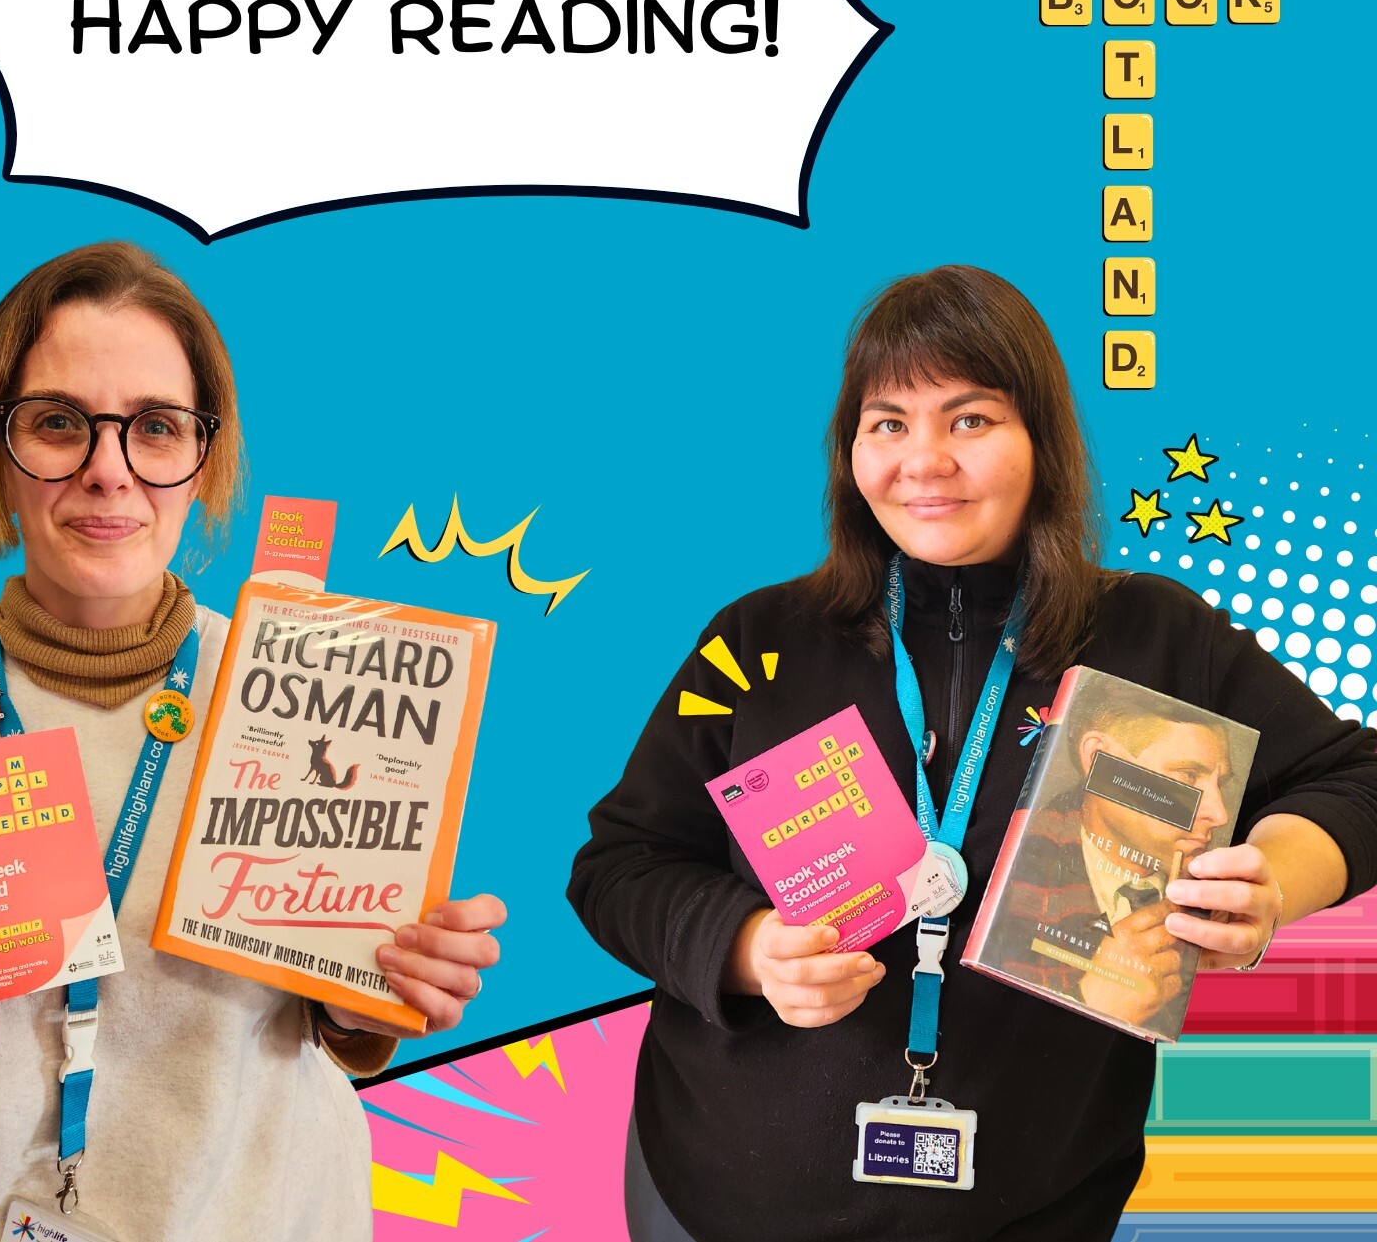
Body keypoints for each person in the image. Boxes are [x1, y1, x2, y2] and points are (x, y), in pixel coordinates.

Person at [566, 266, 1377, 1242]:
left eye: (969, 420)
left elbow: (1357, 778)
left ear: (1040, 440)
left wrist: (1273, 881)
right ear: (848, 451)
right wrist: (744, 951)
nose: (923, 462)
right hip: (718, 1196)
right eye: (887, 423)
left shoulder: (1153, 635)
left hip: (1038, 1204)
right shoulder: (757, 640)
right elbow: (617, 867)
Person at [0, 241, 506, 1242]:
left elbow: (338, 1015)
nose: (106, 472)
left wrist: (374, 998)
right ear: (0, 450)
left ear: (204, 454)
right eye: (58, 424)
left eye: (155, 429)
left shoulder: (306, 690)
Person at [978, 694, 1241, 1038]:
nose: (1219, 814)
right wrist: (1091, 1000)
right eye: (1189, 776)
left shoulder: (1210, 886)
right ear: (1099, 758)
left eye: (1220, 783)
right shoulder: (1010, 878)